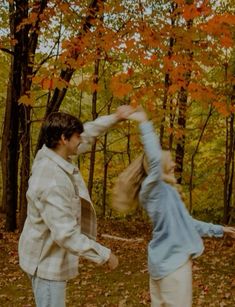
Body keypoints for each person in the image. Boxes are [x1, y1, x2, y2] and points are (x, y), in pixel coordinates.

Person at [18, 105, 135, 307]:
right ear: (64, 139)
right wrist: (104, 255)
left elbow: (88, 133)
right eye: (76, 136)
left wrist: (115, 118)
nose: (81, 139)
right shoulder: (52, 180)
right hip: (46, 265)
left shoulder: (52, 152)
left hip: (48, 257)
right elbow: (66, 234)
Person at [127, 107, 235, 307]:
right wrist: (144, 123)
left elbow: (189, 224)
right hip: (173, 267)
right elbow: (153, 157)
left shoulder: (165, 194)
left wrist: (220, 230)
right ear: (157, 166)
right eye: (169, 161)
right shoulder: (155, 190)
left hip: (163, 267)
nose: (174, 165)